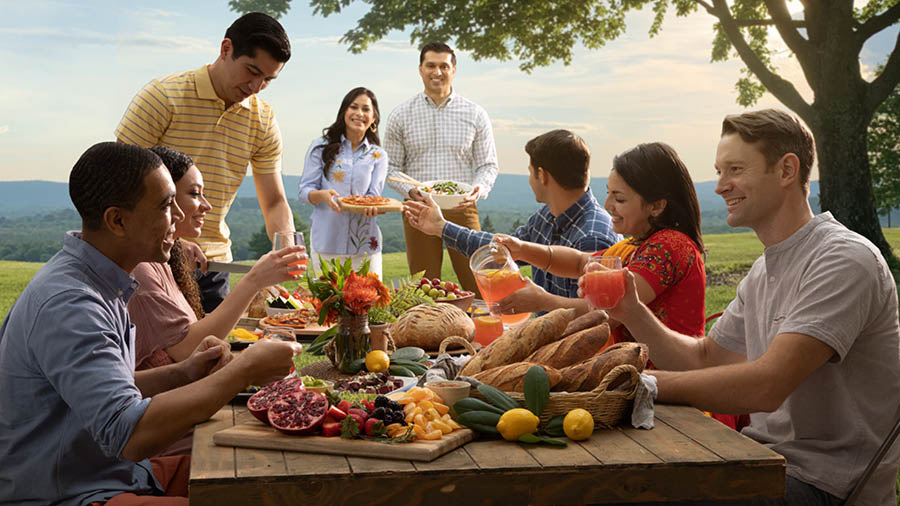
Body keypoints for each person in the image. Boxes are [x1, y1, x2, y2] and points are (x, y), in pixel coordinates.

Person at [594, 110, 900, 505]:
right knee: (614, 478)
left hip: (825, 485)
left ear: (787, 170)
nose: (720, 186)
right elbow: (705, 358)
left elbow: (767, 385)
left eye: (735, 169)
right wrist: (632, 311)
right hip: (762, 459)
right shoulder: (765, 268)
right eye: (719, 171)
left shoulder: (843, 259)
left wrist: (642, 385)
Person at [0, 142, 300, 505]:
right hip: (74, 491)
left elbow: (108, 388)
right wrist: (242, 371)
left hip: (118, 473)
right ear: (118, 221)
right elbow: (129, 434)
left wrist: (184, 372)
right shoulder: (72, 303)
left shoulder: (101, 279)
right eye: (165, 205)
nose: (178, 216)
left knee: (273, 477)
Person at [127, 146, 307, 455]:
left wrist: (178, 245)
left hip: (190, 421)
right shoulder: (142, 273)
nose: (206, 206)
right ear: (164, 200)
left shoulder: (165, 262)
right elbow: (186, 349)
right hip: (175, 442)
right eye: (194, 194)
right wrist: (253, 280)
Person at [115, 12, 294, 314]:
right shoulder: (162, 97)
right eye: (252, 71)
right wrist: (170, 239)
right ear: (226, 49)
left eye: (268, 79)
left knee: (217, 357)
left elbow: (275, 201)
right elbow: (118, 180)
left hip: (214, 267)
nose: (256, 86)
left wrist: (285, 248)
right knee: (155, 360)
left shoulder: (263, 119)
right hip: (151, 262)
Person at [489, 142, 706, 333]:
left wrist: (543, 301)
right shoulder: (635, 245)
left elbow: (613, 310)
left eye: (619, 199)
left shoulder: (669, 247)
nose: (607, 205)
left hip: (661, 375)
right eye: (609, 193)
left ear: (656, 206)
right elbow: (580, 262)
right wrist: (522, 249)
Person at [403, 129, 618, 313]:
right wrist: (441, 227)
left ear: (542, 175)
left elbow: (594, 320)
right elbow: (504, 249)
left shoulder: (592, 238)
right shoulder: (546, 217)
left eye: (530, 172)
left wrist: (541, 304)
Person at [385, 41, 499, 294]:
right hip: (418, 207)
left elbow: (487, 164)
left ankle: (486, 330)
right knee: (424, 289)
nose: (437, 72)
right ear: (420, 69)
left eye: (443, 66)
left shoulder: (475, 113)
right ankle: (425, 332)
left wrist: (478, 189)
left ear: (453, 70)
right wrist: (410, 191)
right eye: (431, 66)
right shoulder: (400, 114)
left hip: (462, 206)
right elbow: (391, 168)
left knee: (479, 283)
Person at [298, 87, 388, 278]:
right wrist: (323, 195)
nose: (359, 113)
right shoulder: (320, 146)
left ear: (374, 119)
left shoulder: (378, 155)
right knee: (329, 304)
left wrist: (373, 206)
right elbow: (305, 191)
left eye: (366, 109)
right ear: (344, 112)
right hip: (327, 241)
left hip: (365, 245)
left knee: (369, 303)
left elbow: (374, 195)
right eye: (353, 107)